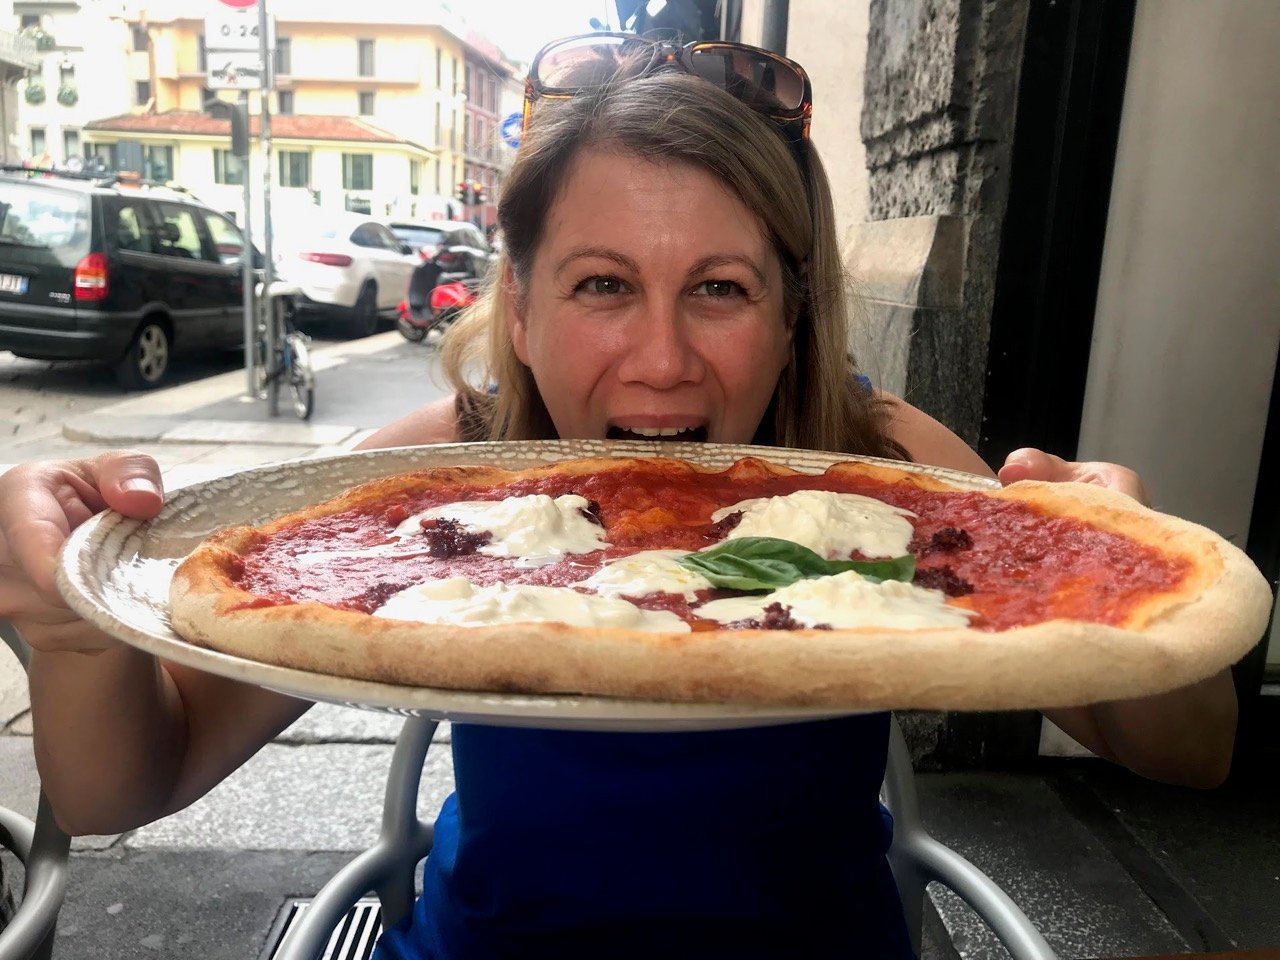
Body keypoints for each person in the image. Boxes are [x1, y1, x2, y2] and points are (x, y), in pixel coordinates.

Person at [0, 35, 1237, 960]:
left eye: (719, 289)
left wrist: (1120, 555)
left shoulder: (882, 462)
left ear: (790, 313)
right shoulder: (413, 483)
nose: (661, 362)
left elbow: (1192, 754)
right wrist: (63, 633)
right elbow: (125, 789)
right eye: (600, 286)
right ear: (520, 310)